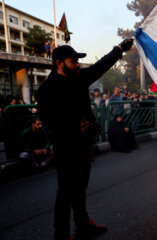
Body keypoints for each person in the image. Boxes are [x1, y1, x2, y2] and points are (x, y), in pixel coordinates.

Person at [37, 40, 133, 240]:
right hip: (65, 147)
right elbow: (46, 119)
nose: (78, 64)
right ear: (59, 63)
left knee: (80, 187)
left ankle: (82, 225)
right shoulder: (48, 88)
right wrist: (74, 124)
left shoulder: (79, 78)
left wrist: (119, 49)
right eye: (73, 61)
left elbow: (101, 65)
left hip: (83, 145)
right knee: (65, 192)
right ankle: (61, 234)